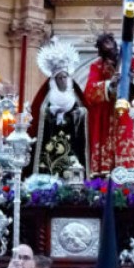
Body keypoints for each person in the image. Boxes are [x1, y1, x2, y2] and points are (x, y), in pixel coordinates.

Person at [84, 31, 134, 175]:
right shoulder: (97, 66)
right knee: (106, 152)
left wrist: (132, 80)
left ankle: (130, 177)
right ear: (101, 49)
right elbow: (89, 91)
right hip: (106, 118)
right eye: (105, 44)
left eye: (110, 42)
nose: (109, 46)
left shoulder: (129, 61)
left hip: (126, 113)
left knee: (128, 145)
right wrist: (109, 84)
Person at [31, 36, 89, 177]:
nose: (63, 81)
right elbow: (38, 114)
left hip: (72, 141)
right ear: (54, 79)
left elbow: (85, 111)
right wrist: (49, 113)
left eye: (65, 77)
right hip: (51, 142)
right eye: (59, 78)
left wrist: (78, 114)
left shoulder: (74, 93)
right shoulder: (47, 95)